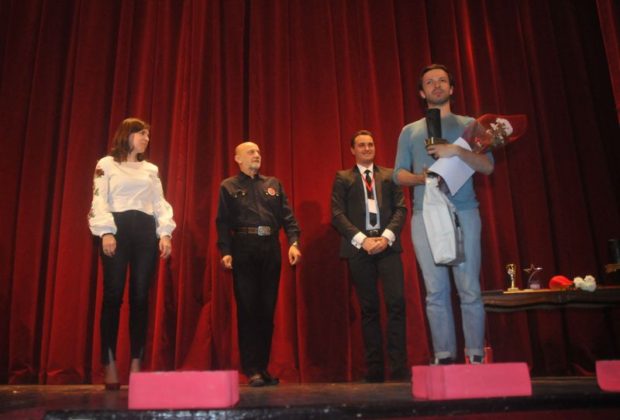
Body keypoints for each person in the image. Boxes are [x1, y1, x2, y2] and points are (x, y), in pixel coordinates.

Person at [393, 64, 494, 365]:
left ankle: (475, 356)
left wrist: (456, 151)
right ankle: (444, 357)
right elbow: (398, 174)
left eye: (442, 81)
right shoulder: (410, 131)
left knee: (469, 288)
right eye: (429, 82)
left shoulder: (470, 125)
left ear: (451, 88)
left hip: (465, 212)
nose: (436, 85)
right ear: (422, 93)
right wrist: (421, 178)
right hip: (425, 214)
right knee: (435, 291)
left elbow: (488, 166)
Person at [88, 117, 176, 389]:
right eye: (141, 133)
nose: (146, 138)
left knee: (140, 297)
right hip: (117, 230)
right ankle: (109, 363)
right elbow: (99, 198)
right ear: (127, 135)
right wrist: (106, 231)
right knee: (113, 295)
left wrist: (165, 232)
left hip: (145, 232)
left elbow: (159, 202)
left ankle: (137, 362)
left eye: (148, 134)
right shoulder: (106, 164)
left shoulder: (151, 169)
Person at [216, 141, 302, 387]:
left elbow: (288, 217)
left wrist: (294, 242)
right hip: (244, 248)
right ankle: (251, 368)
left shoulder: (273, 184)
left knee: (266, 310)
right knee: (248, 309)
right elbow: (222, 222)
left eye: (258, 152)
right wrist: (226, 251)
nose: (257, 155)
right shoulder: (228, 186)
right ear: (238, 158)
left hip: (270, 248)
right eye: (251, 152)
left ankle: (262, 367)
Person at [331, 130, 409, 382]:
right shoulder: (343, 178)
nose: (367, 148)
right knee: (369, 309)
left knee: (396, 304)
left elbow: (401, 209)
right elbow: (337, 214)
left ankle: (399, 369)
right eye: (361, 145)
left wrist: (385, 238)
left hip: (388, 247)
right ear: (352, 150)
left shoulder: (389, 175)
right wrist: (363, 240)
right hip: (359, 249)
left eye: (370, 144)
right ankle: (374, 370)